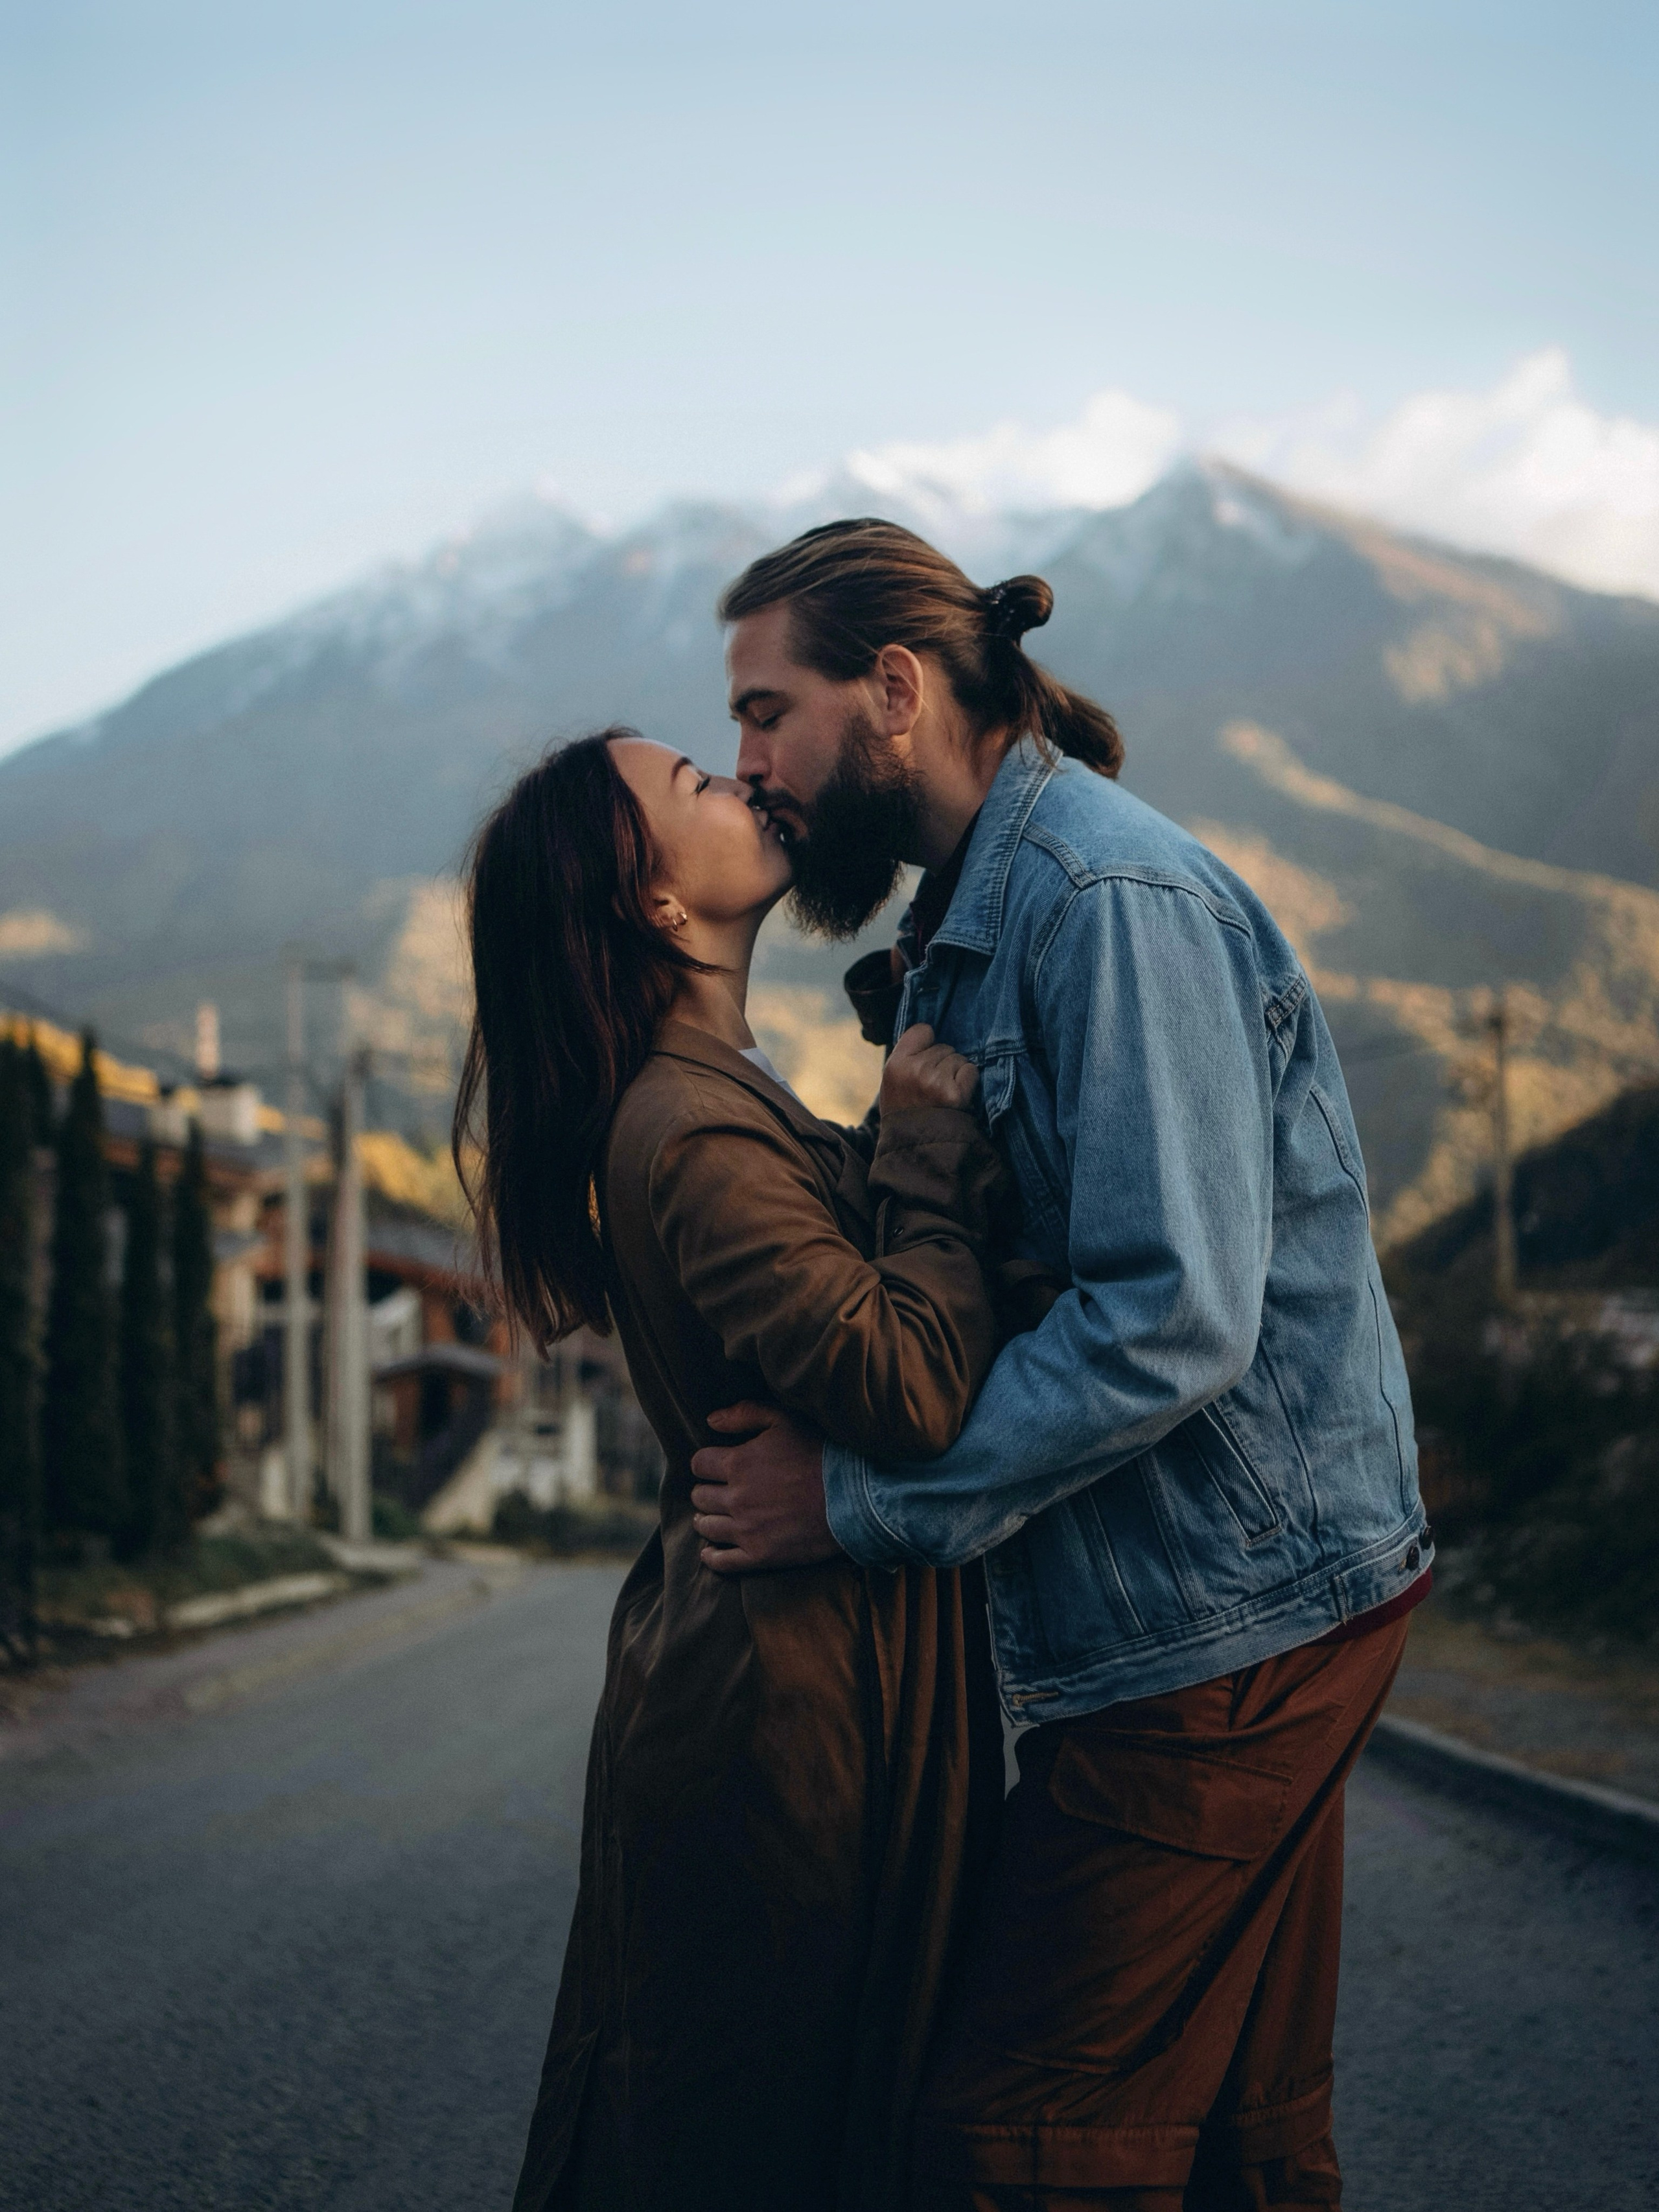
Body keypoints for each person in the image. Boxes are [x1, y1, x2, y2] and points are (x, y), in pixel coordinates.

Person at [690, 520, 1434, 2211]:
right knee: (1246, 2142)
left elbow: (1172, 1312)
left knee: (1017, 2143)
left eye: (764, 712)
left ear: (893, 691)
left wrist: (860, 1498)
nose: (747, 769)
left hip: (1236, 1611)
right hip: (1205, 1605)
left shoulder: (1102, 896)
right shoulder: (966, 923)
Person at [453, 728, 1014, 2212]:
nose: (744, 783)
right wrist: (923, 1154)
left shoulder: (715, 1086)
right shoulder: (690, 1124)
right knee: (758, 2142)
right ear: (653, 902)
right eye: (695, 783)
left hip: (792, 1672)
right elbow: (903, 1380)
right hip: (779, 1716)